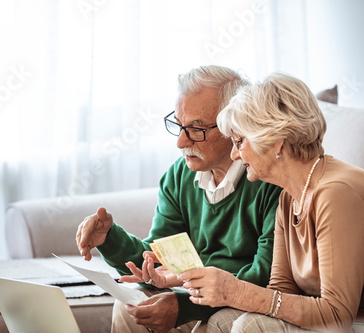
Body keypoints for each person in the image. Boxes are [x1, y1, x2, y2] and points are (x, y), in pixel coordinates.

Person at [76, 65, 283, 333]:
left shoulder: (268, 179)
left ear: (234, 124)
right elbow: (159, 262)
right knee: (130, 307)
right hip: (195, 296)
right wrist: (109, 238)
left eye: (196, 129)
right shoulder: (179, 175)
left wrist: (184, 306)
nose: (181, 142)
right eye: (178, 125)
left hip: (242, 300)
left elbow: (265, 275)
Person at [178, 73, 364, 332]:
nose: (234, 154)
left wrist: (238, 292)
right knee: (221, 322)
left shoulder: (335, 193)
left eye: (240, 141)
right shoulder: (289, 197)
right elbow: (280, 290)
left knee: (250, 325)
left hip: (352, 322)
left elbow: (337, 313)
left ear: (275, 140)